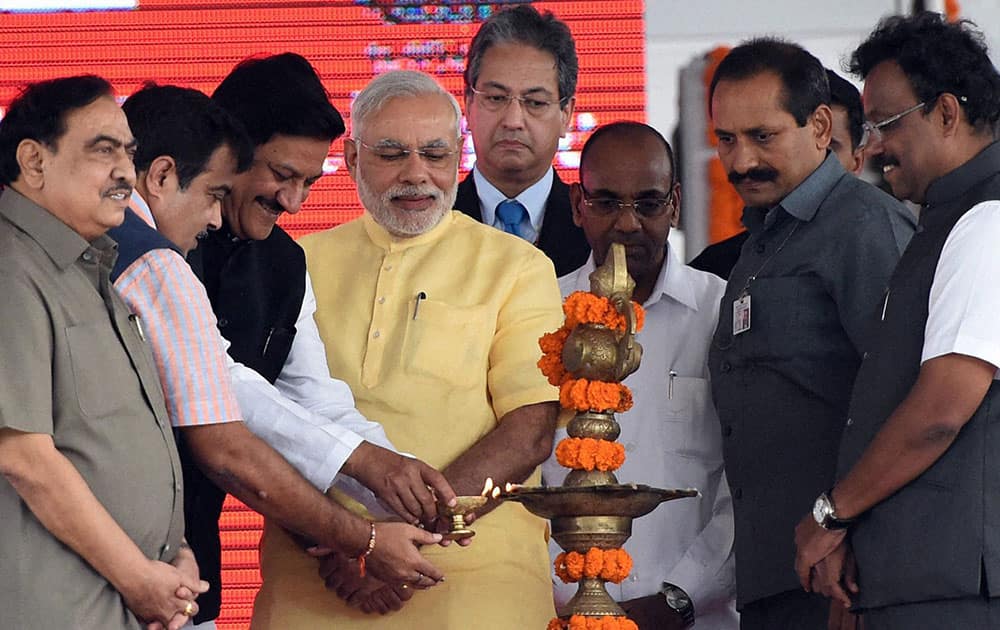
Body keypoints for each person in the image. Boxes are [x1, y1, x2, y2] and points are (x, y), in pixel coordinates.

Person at [106, 83, 449, 629]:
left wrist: (391, 498)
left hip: (181, 565)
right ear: (230, 156)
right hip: (105, 571)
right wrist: (363, 528)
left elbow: (315, 401)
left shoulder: (285, 263)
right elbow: (223, 423)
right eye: (281, 175)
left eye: (309, 183)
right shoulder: (148, 259)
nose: (293, 201)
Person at [251, 70, 563, 629]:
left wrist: (395, 548)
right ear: (349, 159)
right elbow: (257, 421)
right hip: (313, 578)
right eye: (392, 154)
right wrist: (345, 542)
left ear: (459, 155)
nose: (416, 174)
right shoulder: (291, 262)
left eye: (435, 154)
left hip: (475, 587)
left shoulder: (517, 266)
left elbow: (529, 431)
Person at [796, 13, 1000, 629]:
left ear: (945, 113)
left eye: (884, 125)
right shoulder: (942, 220)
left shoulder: (983, 222)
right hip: (918, 584)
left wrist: (830, 516)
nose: (872, 147)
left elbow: (942, 409)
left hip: (955, 592)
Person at [705, 38, 915, 629]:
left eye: (763, 136)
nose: (741, 161)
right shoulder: (759, 245)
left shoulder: (863, 226)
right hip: (774, 577)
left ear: (821, 126)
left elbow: (910, 402)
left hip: (843, 579)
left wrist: (850, 537)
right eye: (726, 140)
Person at [0, 75, 205, 629]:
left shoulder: (89, 268)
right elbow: (25, 457)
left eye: (129, 153)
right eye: (103, 150)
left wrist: (170, 554)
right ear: (34, 162)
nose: (124, 172)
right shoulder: (10, 270)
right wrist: (140, 579)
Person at [541, 121, 737, 629]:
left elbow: (750, 486)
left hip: (694, 618)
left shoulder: (722, 313)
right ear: (577, 207)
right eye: (606, 203)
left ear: (673, 205)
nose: (627, 224)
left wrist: (678, 599)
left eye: (647, 204)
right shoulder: (538, 315)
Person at [690, 67, 871, 279]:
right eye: (765, 137)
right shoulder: (714, 270)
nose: (810, 162)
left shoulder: (879, 243)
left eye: (828, 149)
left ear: (857, 161)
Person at [455, 4, 590, 276]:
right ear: (468, 103)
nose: (513, 120)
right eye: (495, 98)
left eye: (535, 102)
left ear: (566, 113)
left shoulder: (594, 231)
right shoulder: (432, 223)